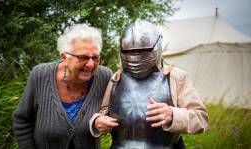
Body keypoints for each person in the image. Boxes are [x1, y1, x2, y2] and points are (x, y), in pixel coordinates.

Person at [89, 19, 208, 149]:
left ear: (157, 47)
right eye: (129, 52)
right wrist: (97, 121)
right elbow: (103, 114)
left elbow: (201, 119)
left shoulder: (175, 77)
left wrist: (173, 115)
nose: (135, 56)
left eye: (144, 50)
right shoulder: (117, 78)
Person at [12, 24, 112, 149]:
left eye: (95, 57)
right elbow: (22, 120)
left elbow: (118, 113)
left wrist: (100, 120)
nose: (91, 64)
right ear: (64, 57)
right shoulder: (40, 75)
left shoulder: (105, 77)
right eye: (83, 57)